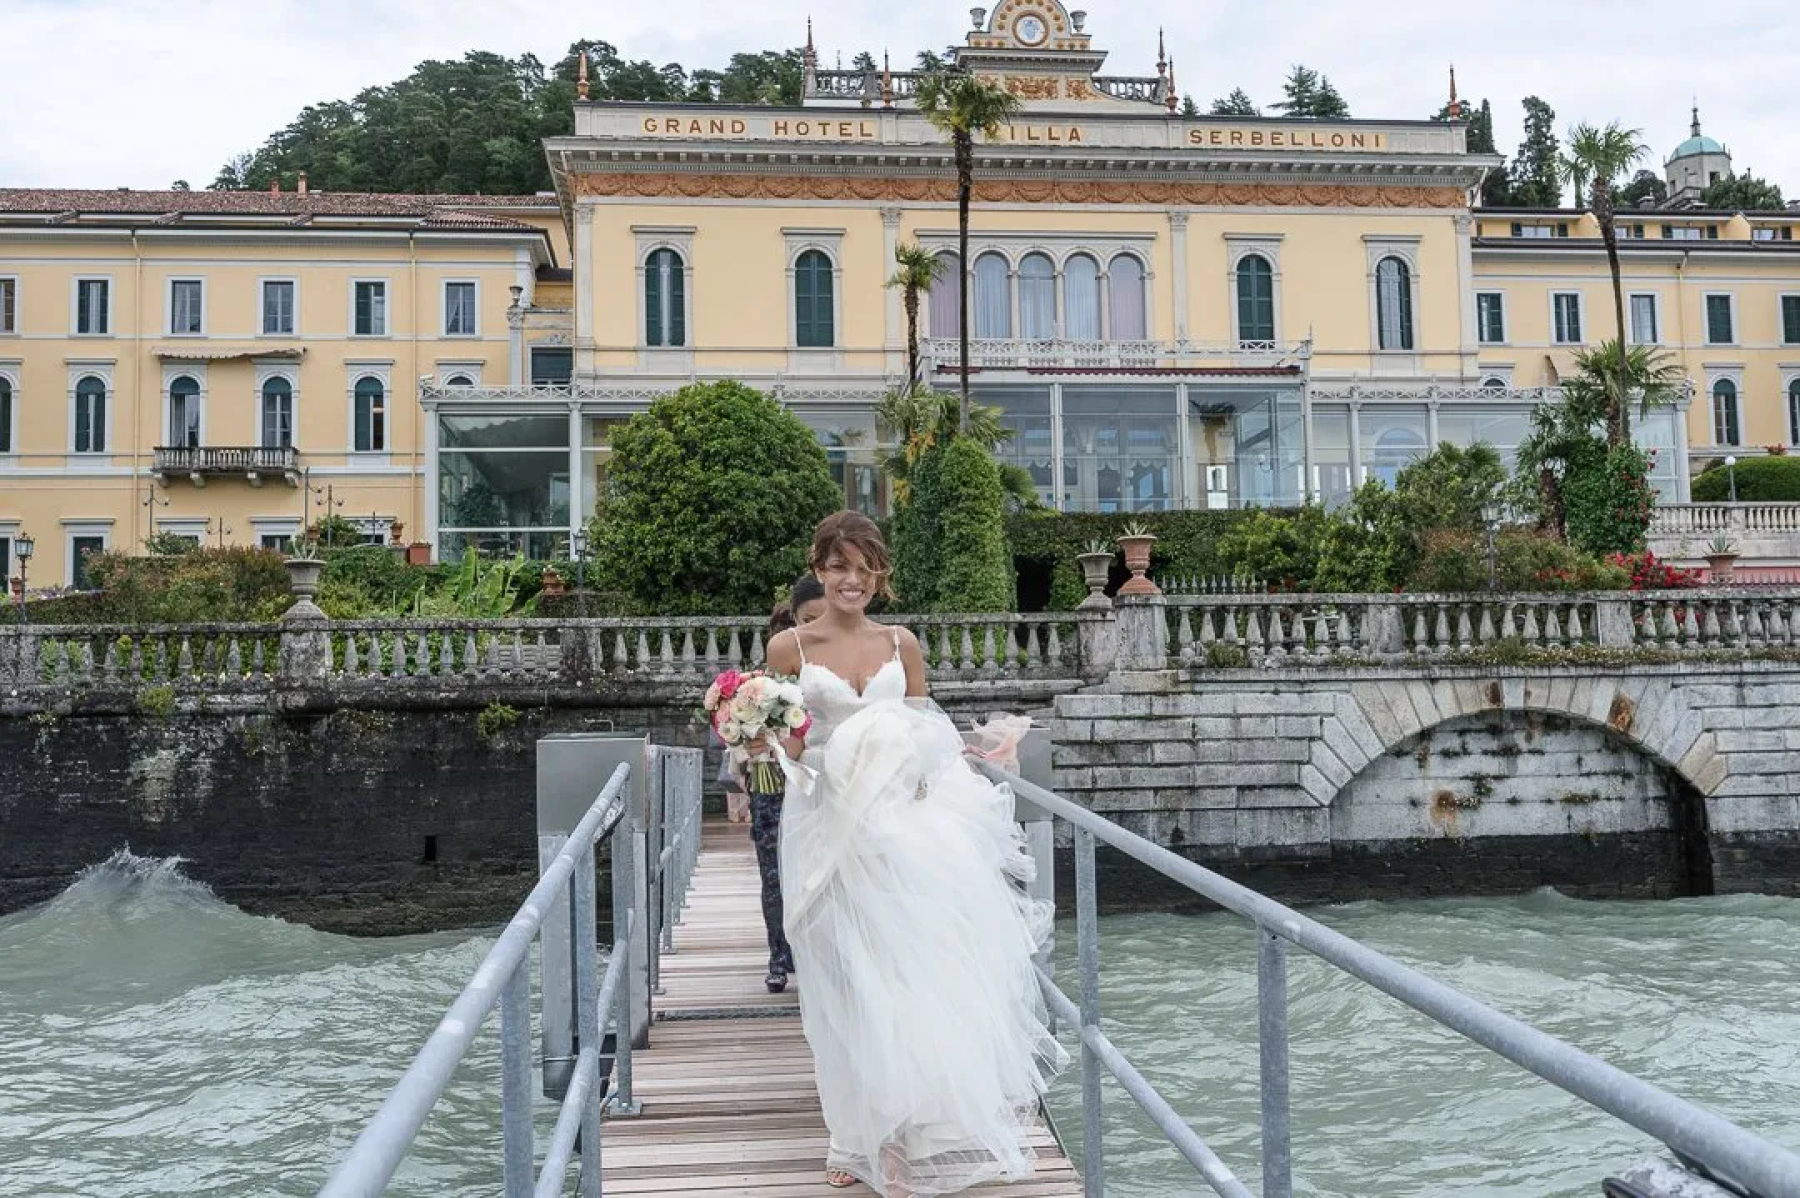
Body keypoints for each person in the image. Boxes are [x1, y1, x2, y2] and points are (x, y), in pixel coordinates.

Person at [762, 512, 1065, 1197]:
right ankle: (852, 1132)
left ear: (879, 575)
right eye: (838, 566)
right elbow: (790, 743)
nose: (850, 580)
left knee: (906, 980)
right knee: (846, 980)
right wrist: (769, 745)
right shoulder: (789, 650)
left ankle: (901, 1140)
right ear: (820, 568)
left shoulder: (903, 643)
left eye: (863, 567)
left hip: (910, 829)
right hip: (831, 826)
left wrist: (966, 756)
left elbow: (925, 730)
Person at [747, 574, 826, 993]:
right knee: (774, 871)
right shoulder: (773, 670)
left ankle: (819, 952)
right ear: (793, 617)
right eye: (808, 619)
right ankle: (778, 955)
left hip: (823, 780)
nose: (817, 627)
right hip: (774, 779)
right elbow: (753, 730)